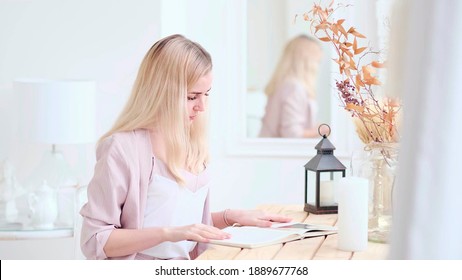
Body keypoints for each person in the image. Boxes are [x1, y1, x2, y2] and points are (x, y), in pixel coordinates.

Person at [79, 34, 291, 260]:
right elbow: (96, 239)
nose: (202, 106)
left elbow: (181, 225)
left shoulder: (192, 143)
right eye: (192, 96)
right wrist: (167, 234)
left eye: (207, 94)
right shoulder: (123, 149)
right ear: (161, 92)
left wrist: (231, 217)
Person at [259, 35, 323, 138]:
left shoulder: (284, 84)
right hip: (277, 151)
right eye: (317, 61)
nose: (317, 67)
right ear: (307, 61)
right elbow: (292, 134)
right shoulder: (294, 88)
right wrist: (319, 131)